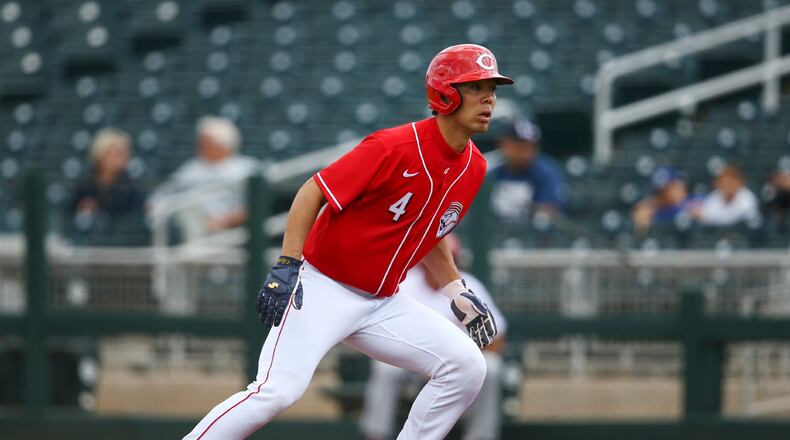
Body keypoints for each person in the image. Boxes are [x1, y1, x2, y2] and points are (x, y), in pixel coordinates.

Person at [183, 43, 511, 440]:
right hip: (324, 286)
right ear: (446, 93)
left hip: (383, 302)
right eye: (476, 86)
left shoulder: (473, 166)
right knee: (276, 392)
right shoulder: (392, 146)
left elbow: (430, 229)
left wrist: (455, 287)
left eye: (492, 87)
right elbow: (312, 191)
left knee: (467, 366)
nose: (490, 96)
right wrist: (288, 263)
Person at [359, 234, 508, 440]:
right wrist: (424, 362)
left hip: (461, 362)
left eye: (450, 259)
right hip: (412, 363)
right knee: (384, 370)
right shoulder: (407, 284)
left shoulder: (470, 286)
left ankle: (479, 436)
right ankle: (376, 435)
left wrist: (464, 360)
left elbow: (497, 336)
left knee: (491, 368)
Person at [148, 116, 260, 242]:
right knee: (186, 213)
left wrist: (226, 220)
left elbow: (257, 203)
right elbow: (162, 195)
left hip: (234, 228)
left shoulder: (246, 168)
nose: (200, 146)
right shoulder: (190, 170)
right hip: (194, 226)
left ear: (223, 144)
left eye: (206, 142)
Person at [67, 128, 147, 245]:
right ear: (101, 155)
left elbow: (135, 218)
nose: (123, 158)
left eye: (124, 153)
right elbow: (70, 213)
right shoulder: (86, 185)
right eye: (116, 153)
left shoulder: (132, 188)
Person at [489, 117, 565, 224]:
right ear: (505, 144)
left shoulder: (546, 171)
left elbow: (549, 211)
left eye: (532, 146)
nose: (527, 153)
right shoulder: (491, 169)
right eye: (521, 146)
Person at [632, 166, 701, 235]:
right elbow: (640, 230)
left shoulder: (695, 200)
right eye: (665, 190)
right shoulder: (657, 210)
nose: (671, 191)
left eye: (674, 186)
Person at [692, 164, 758, 227]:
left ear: (739, 183)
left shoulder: (747, 197)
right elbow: (704, 216)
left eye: (731, 182)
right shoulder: (714, 196)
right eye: (724, 182)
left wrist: (711, 219)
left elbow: (746, 220)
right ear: (719, 184)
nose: (727, 186)